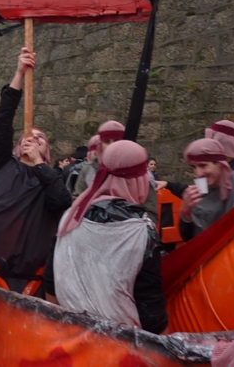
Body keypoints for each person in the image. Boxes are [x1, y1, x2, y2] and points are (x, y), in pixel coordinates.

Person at [0, 48, 72, 294]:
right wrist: (19, 74)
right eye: (28, 136)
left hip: (28, 281)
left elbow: (61, 201)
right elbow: (1, 122)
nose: (33, 138)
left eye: (40, 138)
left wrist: (39, 164)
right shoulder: (3, 164)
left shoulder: (51, 177)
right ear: (18, 145)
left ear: (47, 149)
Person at [48, 140, 167, 334]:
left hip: (67, 336)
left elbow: (51, 286)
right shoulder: (141, 231)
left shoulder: (71, 216)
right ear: (139, 180)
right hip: (117, 346)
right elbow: (151, 312)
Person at [178, 138, 234, 241]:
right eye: (194, 167)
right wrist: (186, 212)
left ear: (219, 163)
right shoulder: (200, 191)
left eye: (203, 165)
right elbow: (189, 238)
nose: (198, 173)